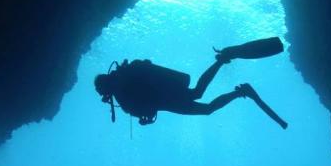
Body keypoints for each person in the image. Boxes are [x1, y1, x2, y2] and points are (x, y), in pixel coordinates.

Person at [94, 38, 288, 128]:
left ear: (105, 85)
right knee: (202, 99)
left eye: (101, 90)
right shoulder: (122, 86)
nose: (103, 94)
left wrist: (144, 117)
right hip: (165, 98)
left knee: (202, 100)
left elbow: (142, 106)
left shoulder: (121, 87)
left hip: (166, 98)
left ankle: (234, 82)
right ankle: (230, 75)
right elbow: (143, 107)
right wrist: (144, 118)